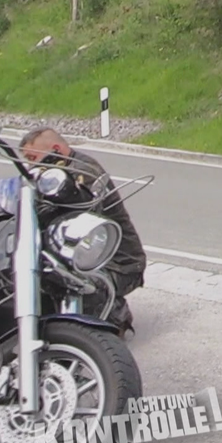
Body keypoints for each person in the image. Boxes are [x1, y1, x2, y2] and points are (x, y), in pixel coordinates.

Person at [20, 127, 146, 338]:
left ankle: (115, 315)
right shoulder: (54, 174)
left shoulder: (84, 173)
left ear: (57, 150)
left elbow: (84, 220)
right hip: (95, 256)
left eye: (34, 158)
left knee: (71, 282)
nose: (31, 166)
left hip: (121, 263)